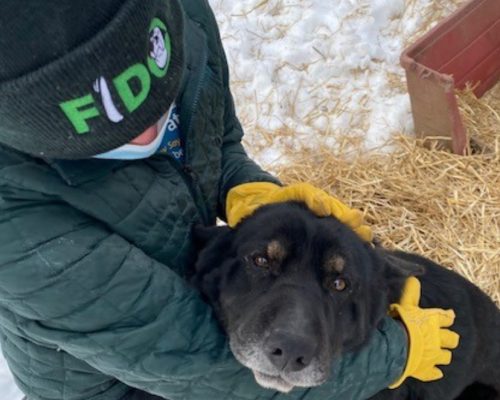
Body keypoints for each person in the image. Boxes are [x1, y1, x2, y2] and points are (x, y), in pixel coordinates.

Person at [0, 1, 458, 399]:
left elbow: (214, 141)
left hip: (208, 291)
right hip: (112, 381)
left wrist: (249, 192)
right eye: (107, 135)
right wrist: (393, 358)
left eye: (161, 98)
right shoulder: (15, 224)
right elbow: (192, 362)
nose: (150, 133)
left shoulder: (186, 19)